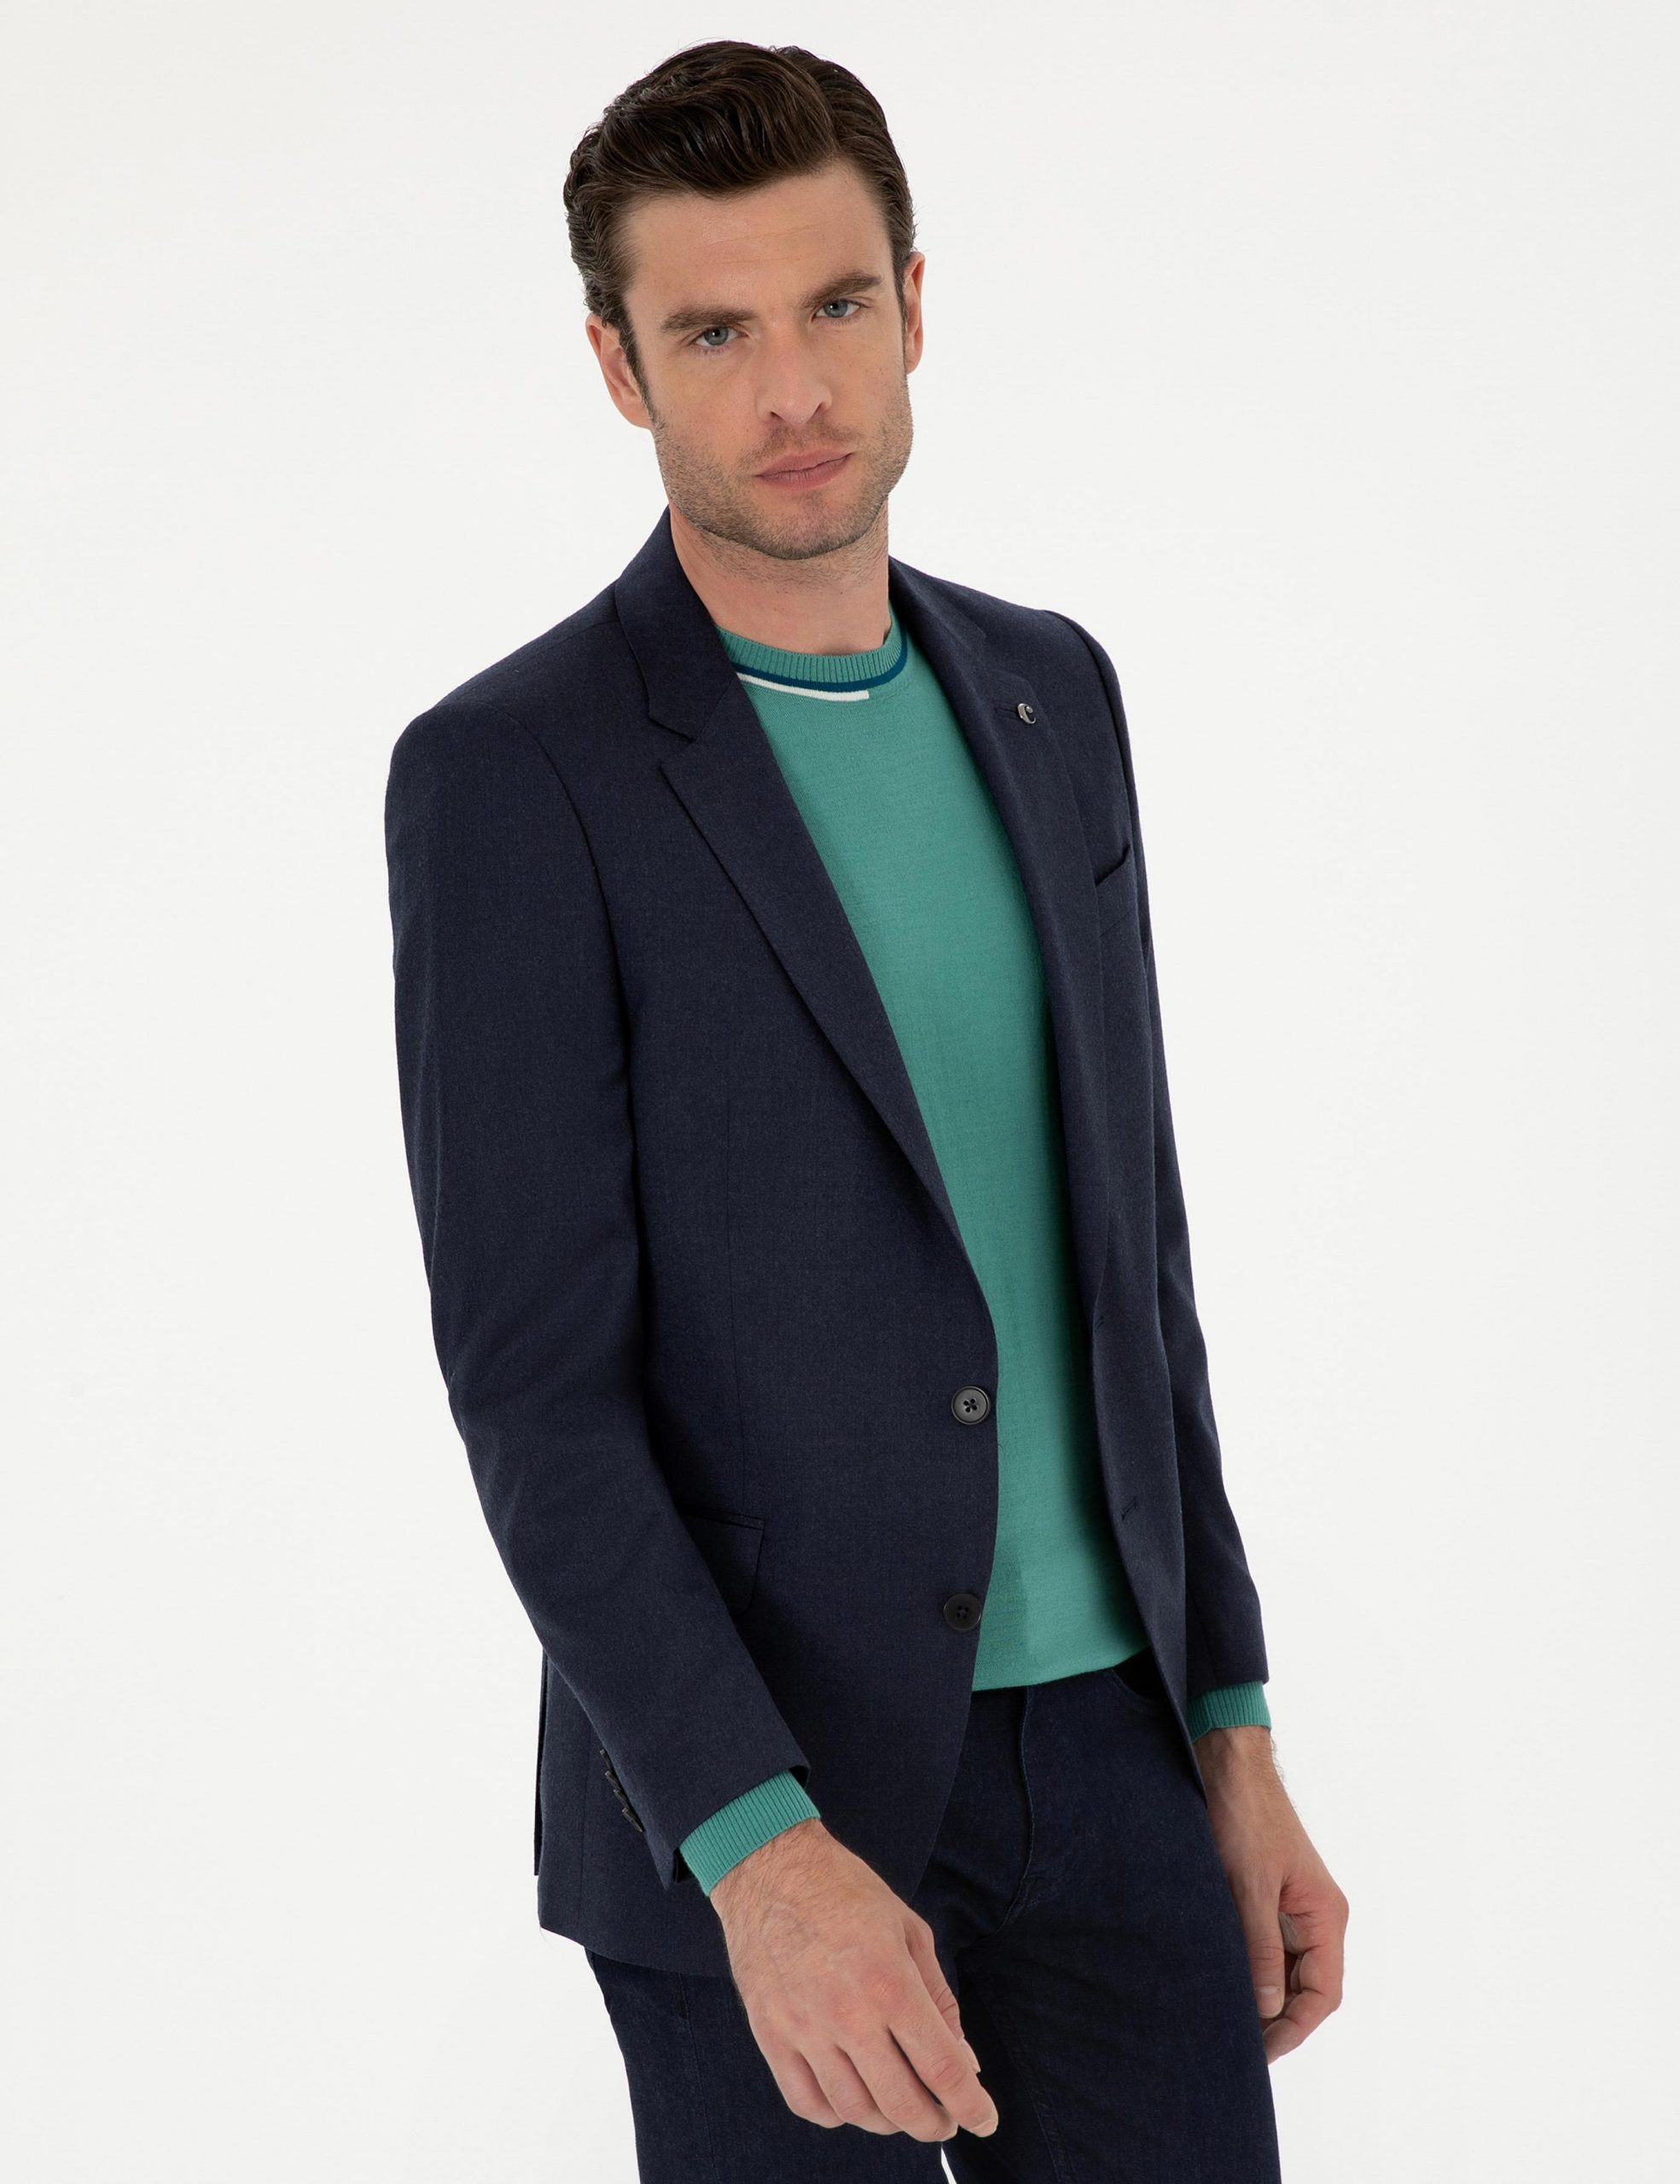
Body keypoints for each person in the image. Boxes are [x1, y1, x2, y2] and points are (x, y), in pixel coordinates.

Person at [383, 36, 1347, 2181]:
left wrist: (1230, 1721)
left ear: (915, 302)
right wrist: (755, 1844)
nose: (794, 389)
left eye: (832, 305)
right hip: (764, 1798)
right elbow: (534, 1387)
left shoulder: (1052, 690)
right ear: (619, 368)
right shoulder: (513, 775)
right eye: (712, 332)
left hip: (1112, 1759)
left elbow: (1133, 1260)